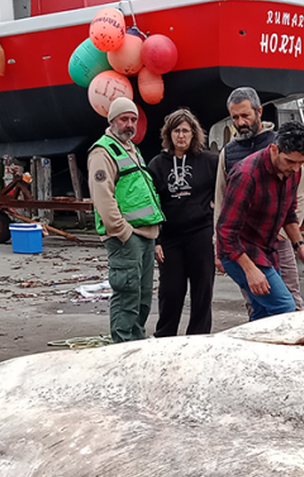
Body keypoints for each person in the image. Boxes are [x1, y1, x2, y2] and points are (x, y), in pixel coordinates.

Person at [214, 87, 304, 311]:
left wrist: (298, 243)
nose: (240, 122)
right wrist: (218, 249)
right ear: (274, 152)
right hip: (242, 244)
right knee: (278, 305)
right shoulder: (235, 161)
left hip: (277, 238)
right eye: (235, 117)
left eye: (245, 115)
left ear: (259, 112)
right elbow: (222, 209)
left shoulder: (290, 154)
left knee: (286, 301)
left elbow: (294, 204)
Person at [89, 96, 164, 343]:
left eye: (133, 119)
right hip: (126, 236)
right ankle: (122, 345)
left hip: (145, 234)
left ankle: (137, 341)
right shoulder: (103, 152)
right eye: (124, 119)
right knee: (127, 293)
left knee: (142, 296)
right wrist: (122, 231)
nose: (129, 124)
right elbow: (103, 196)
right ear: (112, 121)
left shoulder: (132, 150)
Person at [147, 109, 218, 337]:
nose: (181, 136)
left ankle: (198, 336)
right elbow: (151, 205)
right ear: (169, 134)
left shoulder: (209, 161)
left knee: (203, 289)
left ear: (193, 134)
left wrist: (217, 209)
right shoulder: (157, 164)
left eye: (185, 131)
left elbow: (226, 188)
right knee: (171, 290)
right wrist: (156, 240)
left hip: (201, 232)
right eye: (176, 131)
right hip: (170, 237)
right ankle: (165, 336)